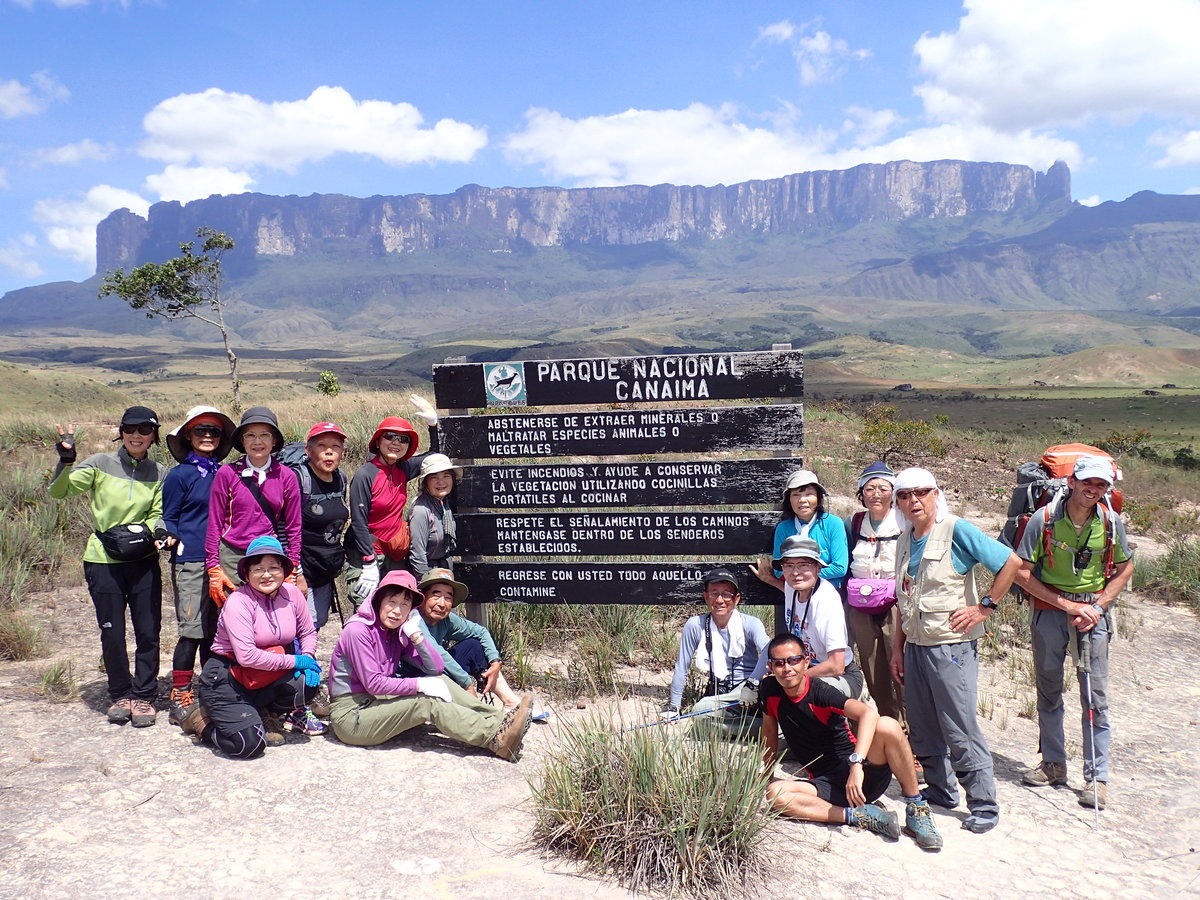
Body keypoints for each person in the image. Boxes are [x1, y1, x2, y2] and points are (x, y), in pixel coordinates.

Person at [889, 467, 1021, 834]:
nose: (913, 501)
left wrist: (985, 607)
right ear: (897, 501)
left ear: (935, 494)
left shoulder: (956, 530)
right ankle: (943, 791)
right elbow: (904, 599)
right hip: (916, 643)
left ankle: (983, 805)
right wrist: (897, 649)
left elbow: (1010, 562)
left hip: (951, 647)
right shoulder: (904, 539)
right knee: (923, 725)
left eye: (921, 492)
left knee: (959, 726)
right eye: (904, 495)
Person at [1014, 455, 1133, 810]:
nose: (1093, 490)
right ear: (1072, 482)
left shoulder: (1110, 522)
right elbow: (1022, 572)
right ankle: (1053, 764)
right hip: (1052, 612)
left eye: (1101, 486)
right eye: (1087, 483)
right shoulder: (1044, 519)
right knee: (1049, 691)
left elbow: (1125, 568)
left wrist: (1097, 607)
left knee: (1095, 698)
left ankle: (1097, 778)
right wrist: (1069, 606)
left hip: (1092, 615)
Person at [760, 634, 942, 850]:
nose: (787, 668)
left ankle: (916, 809)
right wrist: (767, 774)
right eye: (779, 663)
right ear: (770, 666)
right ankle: (860, 816)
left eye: (793, 660)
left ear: (806, 661)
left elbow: (867, 714)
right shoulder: (769, 689)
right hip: (826, 784)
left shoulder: (820, 692)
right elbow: (769, 730)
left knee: (888, 725)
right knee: (775, 795)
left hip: (862, 776)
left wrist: (856, 765)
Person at [326, 569, 533, 760]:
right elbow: (374, 684)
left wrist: (417, 636)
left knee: (437, 680)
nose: (397, 611)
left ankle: (500, 722)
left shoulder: (396, 632)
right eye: (392, 602)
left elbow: (436, 669)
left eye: (405, 605)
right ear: (379, 601)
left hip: (375, 702)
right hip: (352, 716)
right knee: (426, 702)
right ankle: (494, 738)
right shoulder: (358, 631)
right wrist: (420, 686)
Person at [49, 407, 169, 727]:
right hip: (103, 560)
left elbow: (157, 512)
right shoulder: (100, 464)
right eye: (130, 427)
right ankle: (120, 692)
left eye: (145, 429)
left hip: (143, 560)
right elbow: (58, 491)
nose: (137, 434)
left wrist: (158, 530)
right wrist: (66, 460)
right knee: (112, 632)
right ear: (121, 430)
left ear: (154, 435)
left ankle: (143, 695)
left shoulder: (159, 472)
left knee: (148, 630)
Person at [182, 536, 326, 757]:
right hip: (227, 677)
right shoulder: (238, 602)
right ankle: (201, 721)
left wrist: (307, 657)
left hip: (263, 674)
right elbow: (247, 656)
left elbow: (306, 632)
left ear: (284, 570)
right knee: (247, 745)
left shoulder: (293, 594)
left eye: (274, 567)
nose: (267, 575)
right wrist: (295, 660)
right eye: (258, 569)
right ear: (247, 574)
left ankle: (264, 712)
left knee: (307, 683)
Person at [160, 405, 236, 726]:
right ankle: (180, 692)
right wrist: (170, 539)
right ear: (188, 435)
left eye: (214, 431)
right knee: (191, 630)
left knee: (216, 628)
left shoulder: (226, 473)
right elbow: (170, 516)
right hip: (191, 560)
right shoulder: (180, 476)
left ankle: (210, 685)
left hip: (221, 561)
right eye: (201, 430)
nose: (207, 436)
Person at [204, 406, 302, 605]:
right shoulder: (227, 474)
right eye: (250, 435)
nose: (258, 442)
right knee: (233, 615)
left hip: (268, 554)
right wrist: (213, 567)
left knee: (268, 617)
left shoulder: (286, 476)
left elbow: (294, 527)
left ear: (274, 440)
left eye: (265, 435)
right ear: (242, 440)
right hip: (232, 554)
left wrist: (292, 566)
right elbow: (214, 523)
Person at [347, 396, 439, 602]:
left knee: (397, 605)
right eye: (390, 436)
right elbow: (359, 522)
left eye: (403, 439)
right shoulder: (365, 474)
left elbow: (434, 455)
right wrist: (369, 562)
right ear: (378, 441)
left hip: (394, 552)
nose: (396, 442)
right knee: (366, 608)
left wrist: (433, 425)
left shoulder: (403, 469)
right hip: (368, 551)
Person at [751, 536, 864, 699]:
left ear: (818, 568)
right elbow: (785, 588)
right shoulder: (792, 588)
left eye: (804, 565)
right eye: (789, 565)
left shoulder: (826, 600)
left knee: (792, 692)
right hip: (802, 666)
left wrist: (791, 680)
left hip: (839, 676)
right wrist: (768, 578)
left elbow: (836, 665)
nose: (796, 573)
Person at [663, 568, 769, 736]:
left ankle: (757, 728)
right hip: (719, 693)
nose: (720, 600)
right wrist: (674, 706)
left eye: (727, 594)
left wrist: (752, 683)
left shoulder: (750, 623)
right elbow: (682, 666)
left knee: (700, 710)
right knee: (702, 717)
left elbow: (769, 649)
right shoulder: (695, 625)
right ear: (706, 597)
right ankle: (759, 729)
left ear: (736, 599)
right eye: (714, 593)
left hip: (749, 691)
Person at [843, 461, 905, 723]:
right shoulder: (853, 523)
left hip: (896, 605)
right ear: (861, 493)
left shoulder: (903, 521)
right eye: (870, 488)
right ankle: (889, 722)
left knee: (901, 665)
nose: (876, 494)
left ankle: (912, 730)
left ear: (893, 491)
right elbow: (844, 563)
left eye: (883, 488)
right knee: (871, 666)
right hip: (860, 605)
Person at [413, 567, 522, 708]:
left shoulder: (447, 620)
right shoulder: (414, 620)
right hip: (412, 679)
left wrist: (495, 660)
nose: (441, 603)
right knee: (440, 665)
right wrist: (467, 684)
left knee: (474, 646)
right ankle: (476, 710)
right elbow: (436, 653)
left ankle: (511, 703)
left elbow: (481, 632)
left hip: (433, 671)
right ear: (423, 597)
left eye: (448, 597)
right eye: (435, 595)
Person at [291, 422, 350, 632]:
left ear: (342, 452)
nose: (329, 451)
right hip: (302, 568)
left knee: (319, 621)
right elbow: (285, 529)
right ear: (308, 450)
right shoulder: (298, 479)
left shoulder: (341, 479)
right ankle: (301, 664)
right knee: (305, 626)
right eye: (321, 445)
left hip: (324, 569)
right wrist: (296, 573)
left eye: (335, 446)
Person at [772, 469, 848, 588]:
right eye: (796, 495)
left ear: (818, 497)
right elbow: (778, 570)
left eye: (809, 494)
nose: (802, 500)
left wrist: (802, 577)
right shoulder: (783, 528)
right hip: (793, 595)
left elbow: (840, 568)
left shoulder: (833, 524)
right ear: (789, 500)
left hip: (828, 592)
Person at [407, 453, 461, 577]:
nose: (441, 482)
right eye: (434, 477)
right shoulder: (421, 511)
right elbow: (417, 555)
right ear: (425, 483)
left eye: (446, 476)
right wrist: (426, 585)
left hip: (443, 570)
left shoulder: (443, 504)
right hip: (427, 574)